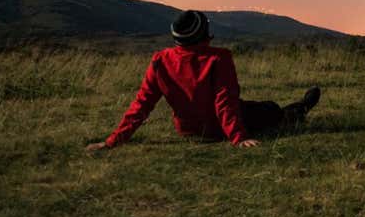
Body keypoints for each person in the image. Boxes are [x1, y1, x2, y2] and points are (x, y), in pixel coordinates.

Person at [85, 9, 321, 152]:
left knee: (255, 107)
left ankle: (298, 109)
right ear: (203, 33)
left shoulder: (160, 60)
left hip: (188, 131)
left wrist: (112, 141)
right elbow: (224, 102)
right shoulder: (218, 58)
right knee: (269, 108)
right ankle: (302, 108)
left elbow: (142, 105)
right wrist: (238, 137)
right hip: (219, 129)